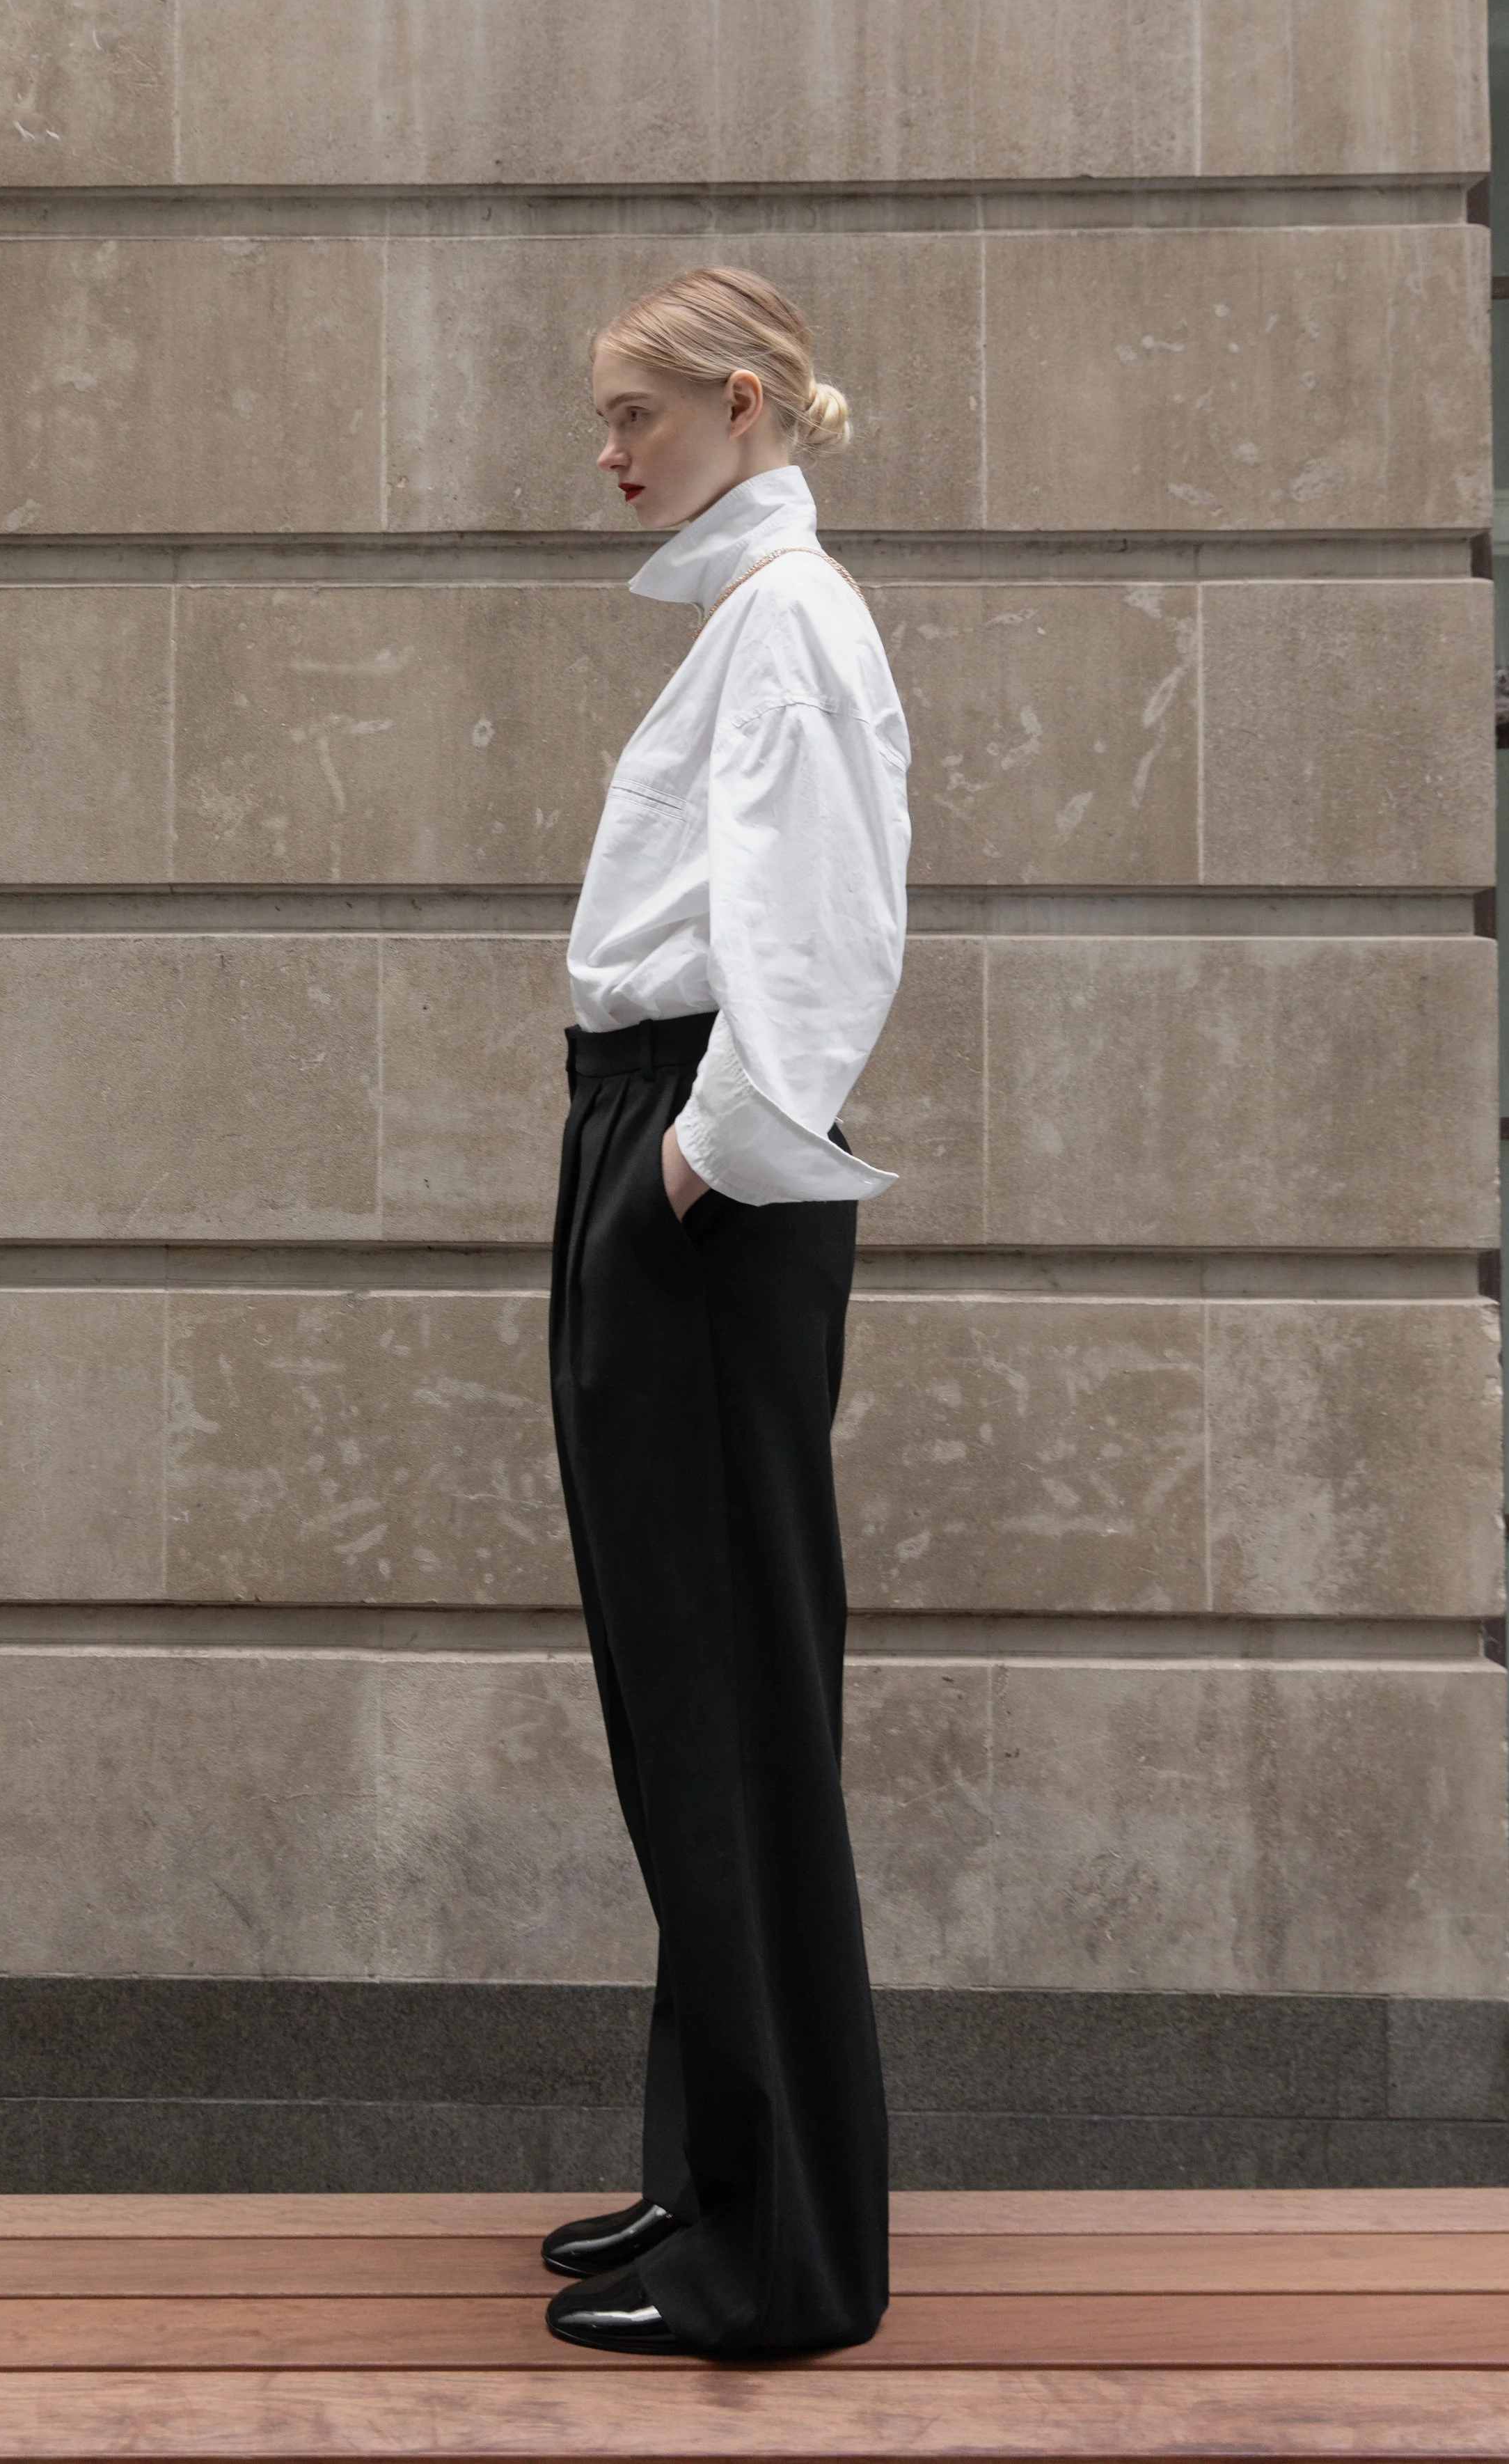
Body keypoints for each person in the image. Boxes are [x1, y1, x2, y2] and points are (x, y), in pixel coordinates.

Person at [543, 267, 911, 2358]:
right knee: (675, 1689)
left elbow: (823, 923)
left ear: (742, 402)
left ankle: (781, 2256)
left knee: (729, 1697)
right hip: (653, 1144)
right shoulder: (745, 618)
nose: (611, 452)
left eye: (635, 414)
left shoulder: (793, 623)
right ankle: (710, 2171)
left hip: (695, 1168)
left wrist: (701, 1155)